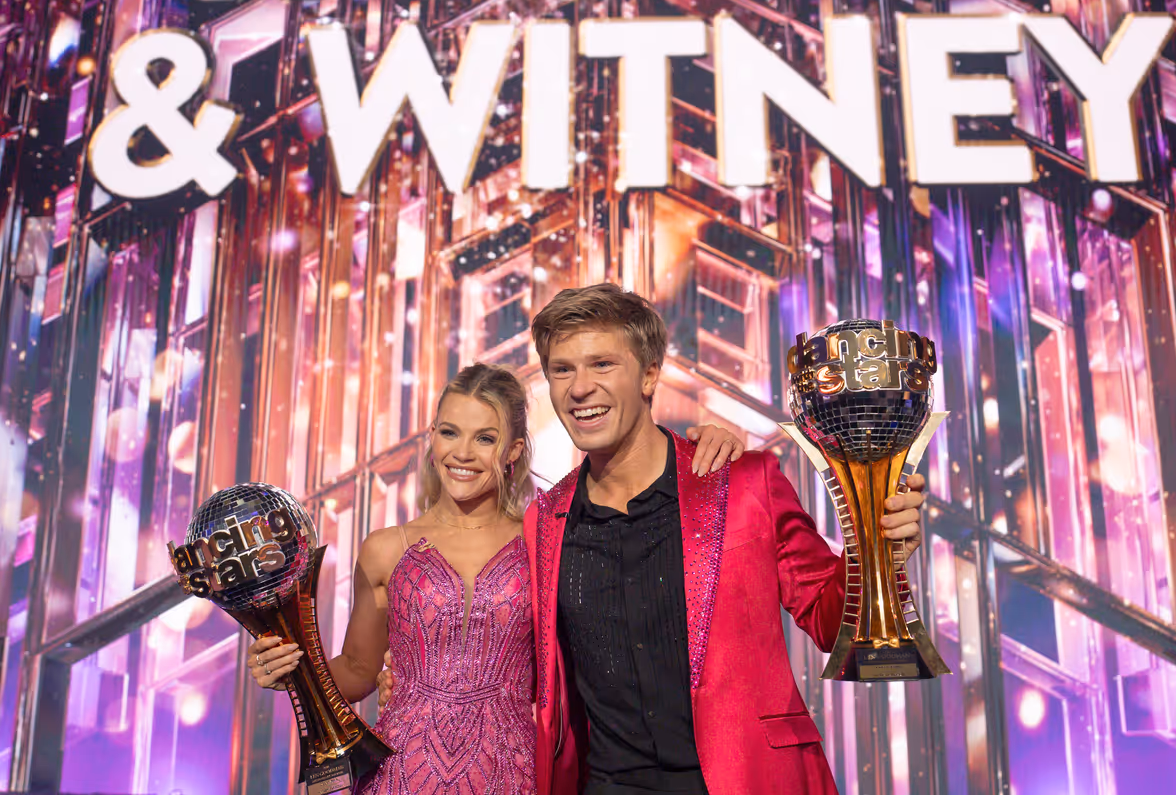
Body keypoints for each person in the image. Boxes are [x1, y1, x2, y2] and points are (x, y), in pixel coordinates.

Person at [378, 285, 928, 795]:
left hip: (749, 778)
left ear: (648, 375)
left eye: (602, 364)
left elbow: (830, 621)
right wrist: (419, 678)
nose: (580, 388)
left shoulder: (742, 481)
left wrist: (880, 554)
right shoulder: (544, 520)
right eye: (562, 369)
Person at [245, 362, 745, 795]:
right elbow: (357, 670)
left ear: (513, 451)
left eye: (484, 438)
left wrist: (703, 446)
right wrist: (293, 671)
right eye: (449, 432)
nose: (462, 453)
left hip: (510, 773)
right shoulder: (385, 548)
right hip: (401, 772)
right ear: (432, 437)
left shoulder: (546, 539)